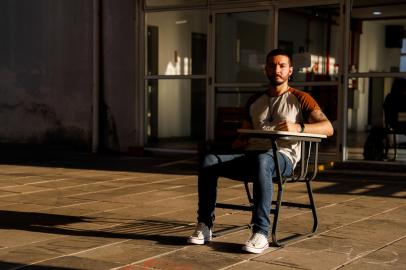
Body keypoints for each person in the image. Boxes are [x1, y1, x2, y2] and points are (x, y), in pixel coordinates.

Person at [187, 48, 334, 254]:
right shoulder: (255, 101)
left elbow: (328, 128)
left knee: (263, 161)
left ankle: (261, 232)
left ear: (290, 70)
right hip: (253, 155)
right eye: (272, 65)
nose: (277, 70)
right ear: (265, 69)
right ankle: (204, 225)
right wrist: (239, 140)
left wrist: (299, 128)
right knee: (209, 160)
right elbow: (245, 134)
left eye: (282, 66)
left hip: (283, 159)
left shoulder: (301, 98)